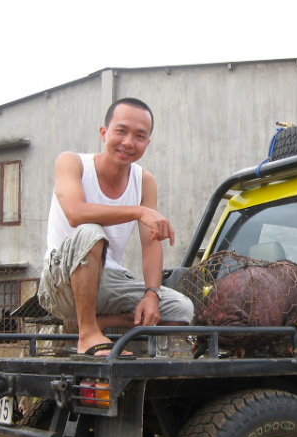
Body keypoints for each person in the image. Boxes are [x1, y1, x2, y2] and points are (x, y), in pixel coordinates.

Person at [38, 97, 193, 356]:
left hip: (109, 282)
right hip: (62, 281)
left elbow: (151, 245)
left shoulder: (144, 182)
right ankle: (87, 334)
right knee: (91, 231)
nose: (129, 142)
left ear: (147, 143)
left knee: (181, 310)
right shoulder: (72, 162)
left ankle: (93, 323)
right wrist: (139, 211)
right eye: (121, 131)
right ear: (104, 132)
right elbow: (75, 213)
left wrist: (152, 294)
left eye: (140, 136)